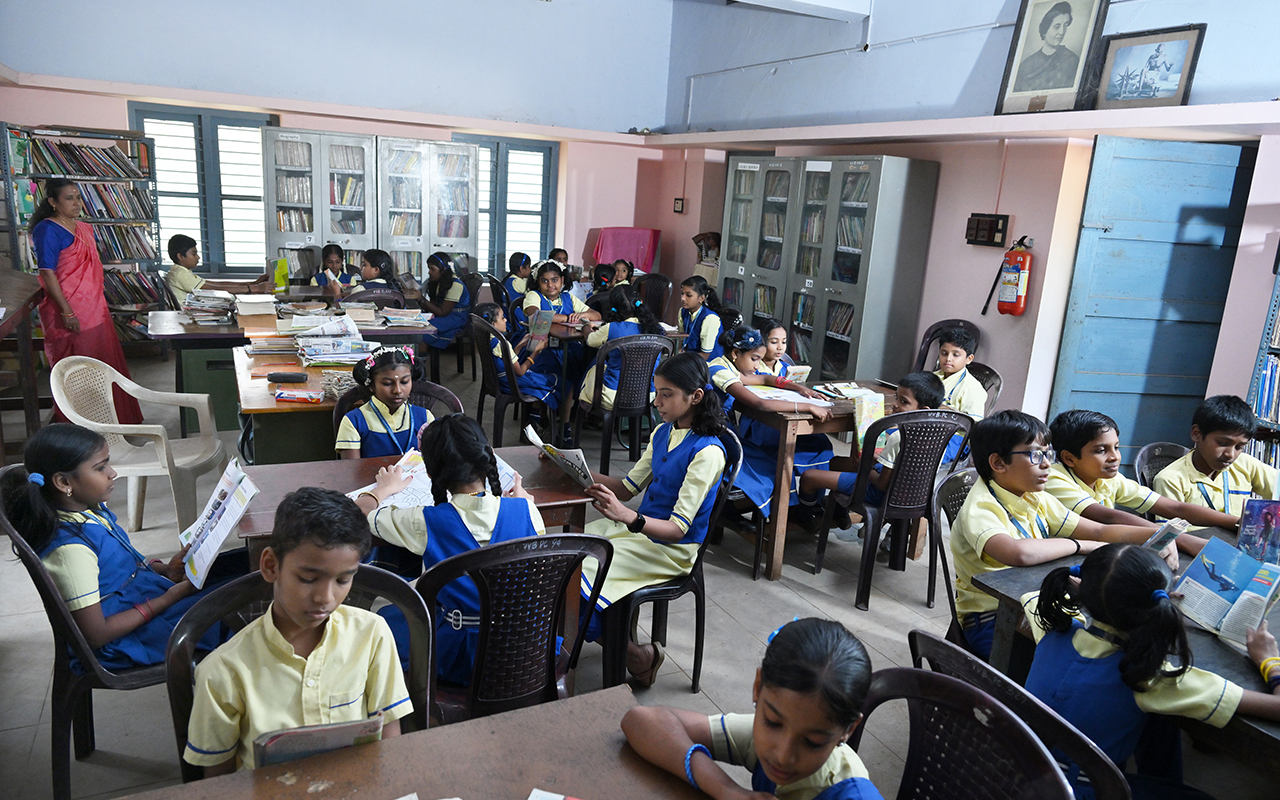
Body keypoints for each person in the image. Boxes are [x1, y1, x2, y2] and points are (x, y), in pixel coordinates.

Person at [183, 487, 411, 774]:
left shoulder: (372, 634)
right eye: (308, 578)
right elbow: (220, 782)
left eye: (342, 580)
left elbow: (389, 742)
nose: (325, 597)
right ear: (270, 566)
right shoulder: (222, 671)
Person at [1023, 544, 1280, 799]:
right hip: (1084, 792)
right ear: (1157, 605)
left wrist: (1095, 592)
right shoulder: (1148, 677)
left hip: (1024, 774)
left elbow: (1031, 596)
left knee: (1158, 723)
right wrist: (1269, 660)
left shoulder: (1053, 630)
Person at [0, 425, 238, 670]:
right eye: (100, 468)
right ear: (63, 482)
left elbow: (120, 567)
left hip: (143, 602)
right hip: (126, 639)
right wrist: (167, 599)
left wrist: (165, 570)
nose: (112, 473)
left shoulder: (89, 511)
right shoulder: (70, 549)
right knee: (238, 602)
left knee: (239, 567)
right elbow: (96, 634)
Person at [950, 410, 1170, 660]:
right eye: (1035, 455)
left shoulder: (1035, 496)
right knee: (1092, 656)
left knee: (1116, 632)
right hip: (994, 617)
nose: (1047, 464)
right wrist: (1079, 545)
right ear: (999, 463)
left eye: (1048, 454)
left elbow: (1099, 530)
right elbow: (1018, 552)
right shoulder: (981, 506)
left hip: (1034, 601)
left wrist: (1158, 534)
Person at [354, 414, 545, 682]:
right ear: (487, 459)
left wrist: (381, 490)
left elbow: (361, 515)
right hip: (523, 648)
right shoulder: (527, 511)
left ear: (430, 472)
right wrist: (524, 504)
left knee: (381, 612)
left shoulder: (426, 520)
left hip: (462, 655)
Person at [577, 352, 728, 684]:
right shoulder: (664, 432)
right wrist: (577, 470)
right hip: (641, 533)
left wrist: (628, 517)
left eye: (667, 394)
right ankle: (623, 646)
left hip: (670, 550)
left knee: (575, 581)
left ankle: (637, 656)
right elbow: (629, 486)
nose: (656, 401)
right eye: (656, 391)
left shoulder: (708, 452)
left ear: (696, 396)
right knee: (565, 560)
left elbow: (677, 529)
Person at [622, 618, 883, 800]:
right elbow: (641, 720)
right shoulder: (759, 738)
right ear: (757, 686)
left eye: (813, 742)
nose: (783, 755)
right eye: (772, 722)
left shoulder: (852, 793)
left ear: (848, 730)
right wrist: (726, 789)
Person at [30, 179, 142, 423]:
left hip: (94, 306)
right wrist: (67, 312)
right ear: (52, 202)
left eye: (78, 197)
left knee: (101, 362)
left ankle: (112, 422)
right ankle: (81, 425)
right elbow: (47, 272)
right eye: (69, 198)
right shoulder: (47, 229)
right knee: (77, 367)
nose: (76, 203)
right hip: (68, 309)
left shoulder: (83, 227)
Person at [799, 372, 965, 533]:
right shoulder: (941, 436)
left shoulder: (899, 436)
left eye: (904, 401)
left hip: (883, 494)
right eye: (896, 397)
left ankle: (806, 516)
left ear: (923, 409)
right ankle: (838, 510)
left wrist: (864, 467)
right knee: (836, 463)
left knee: (809, 476)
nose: (895, 404)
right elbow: (904, 466)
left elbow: (881, 483)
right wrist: (874, 459)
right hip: (914, 495)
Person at [1046, 410, 1232, 548]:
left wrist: (1237, 523)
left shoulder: (1108, 478)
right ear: (1069, 458)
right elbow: (1109, 517)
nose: (1115, 457)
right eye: (1101, 450)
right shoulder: (1054, 478)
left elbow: (1174, 507)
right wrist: (1180, 539)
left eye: (1116, 447)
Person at [708, 326, 833, 524]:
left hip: (725, 429)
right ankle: (773, 513)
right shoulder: (719, 370)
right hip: (716, 434)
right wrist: (807, 406)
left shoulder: (730, 365)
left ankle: (793, 510)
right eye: (755, 358)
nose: (758, 365)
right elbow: (761, 403)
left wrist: (799, 388)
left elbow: (766, 378)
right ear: (735, 354)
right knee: (776, 468)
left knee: (793, 456)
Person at [1153, 395, 1279, 523]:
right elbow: (1169, 538)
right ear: (1196, 434)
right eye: (1223, 443)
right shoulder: (1170, 480)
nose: (1230, 454)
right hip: (1196, 542)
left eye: (1239, 447)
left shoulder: (1245, 464)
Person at [334, 346, 433, 459]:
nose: (398, 390)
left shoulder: (425, 417)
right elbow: (350, 471)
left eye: (404, 382)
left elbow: (435, 465)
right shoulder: (353, 422)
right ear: (371, 385)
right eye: (387, 383)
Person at [578, 285, 664, 410]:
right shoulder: (656, 328)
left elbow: (590, 341)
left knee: (594, 367)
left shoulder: (612, 328)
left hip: (613, 396)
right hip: (647, 396)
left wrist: (586, 326)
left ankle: (584, 415)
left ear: (613, 307)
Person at [472, 302, 559, 415]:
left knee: (542, 375)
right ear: (493, 324)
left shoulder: (491, 339)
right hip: (512, 384)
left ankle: (536, 416)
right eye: (502, 318)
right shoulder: (502, 343)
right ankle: (546, 419)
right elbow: (520, 372)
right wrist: (536, 352)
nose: (506, 321)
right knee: (559, 383)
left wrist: (520, 345)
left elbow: (506, 359)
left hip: (499, 381)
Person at [165, 235, 270, 305]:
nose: (198, 257)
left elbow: (216, 284)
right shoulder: (180, 274)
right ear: (180, 256)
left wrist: (253, 283)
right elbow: (214, 289)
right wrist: (253, 289)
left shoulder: (180, 271)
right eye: (194, 254)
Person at [1012, 1, 1080, 93]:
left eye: (1065, 26)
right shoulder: (1025, 65)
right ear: (1045, 30)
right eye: (1057, 27)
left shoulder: (1071, 60)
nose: (1061, 32)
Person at [420, 251, 472, 348]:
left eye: (432, 269)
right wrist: (417, 299)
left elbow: (443, 312)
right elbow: (432, 306)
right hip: (445, 315)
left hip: (456, 318)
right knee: (417, 323)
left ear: (443, 270)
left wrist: (421, 299)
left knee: (421, 330)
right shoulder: (438, 282)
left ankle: (421, 358)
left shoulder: (455, 284)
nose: (429, 272)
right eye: (429, 268)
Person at [932, 327, 985, 420]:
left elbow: (974, 423)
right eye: (944, 353)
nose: (948, 358)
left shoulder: (972, 388)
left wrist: (951, 413)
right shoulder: (932, 377)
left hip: (955, 433)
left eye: (955, 355)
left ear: (969, 359)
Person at [523, 259, 598, 324]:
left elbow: (597, 315)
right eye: (544, 281)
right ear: (538, 282)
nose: (550, 285)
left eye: (554, 280)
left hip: (566, 339)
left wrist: (584, 315)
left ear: (562, 280)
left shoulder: (569, 298)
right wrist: (568, 318)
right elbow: (536, 316)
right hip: (541, 339)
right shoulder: (534, 295)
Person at [679, 275, 724, 361]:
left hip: (708, 363)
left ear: (701, 298)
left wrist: (681, 361)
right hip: (690, 357)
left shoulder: (710, 318)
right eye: (682, 293)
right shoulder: (683, 311)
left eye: (688, 295)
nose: (683, 298)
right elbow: (682, 342)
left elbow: (705, 355)